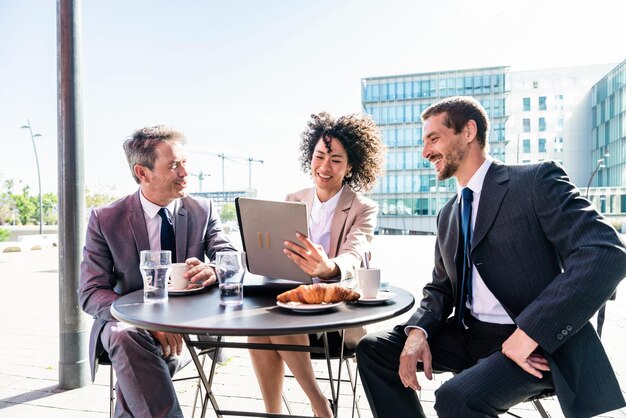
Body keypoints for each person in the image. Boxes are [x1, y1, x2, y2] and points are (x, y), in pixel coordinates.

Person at [356, 96, 626, 418]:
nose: (425, 152)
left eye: (433, 139)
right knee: (374, 350)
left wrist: (530, 334)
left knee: (455, 398)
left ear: (468, 131)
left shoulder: (534, 182)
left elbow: (605, 252)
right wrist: (419, 331)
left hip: (535, 344)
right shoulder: (448, 214)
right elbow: (441, 288)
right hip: (470, 335)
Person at [78, 125, 237, 417]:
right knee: (127, 336)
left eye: (185, 163)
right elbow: (90, 293)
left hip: (191, 323)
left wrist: (213, 269)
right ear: (143, 172)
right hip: (128, 324)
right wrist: (145, 319)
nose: (185, 173)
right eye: (174, 165)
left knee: (135, 365)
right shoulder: (105, 219)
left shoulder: (203, 209)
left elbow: (228, 255)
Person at [248, 112, 386, 417]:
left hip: (337, 315)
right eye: (320, 156)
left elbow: (355, 252)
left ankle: (319, 405)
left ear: (350, 166)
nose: (325, 167)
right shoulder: (294, 198)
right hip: (295, 302)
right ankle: (274, 413)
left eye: (336, 159)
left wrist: (328, 268)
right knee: (259, 326)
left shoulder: (363, 207)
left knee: (279, 319)